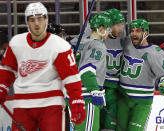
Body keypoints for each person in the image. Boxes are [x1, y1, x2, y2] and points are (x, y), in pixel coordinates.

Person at [0, 2, 86, 131]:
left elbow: (71, 77)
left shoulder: (60, 46)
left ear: (46, 20)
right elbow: (7, 70)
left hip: (51, 105)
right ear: (27, 22)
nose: (36, 23)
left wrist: (77, 101)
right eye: (32, 20)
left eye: (40, 18)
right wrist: (2, 88)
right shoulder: (17, 43)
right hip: (23, 104)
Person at [117, 18, 164, 131]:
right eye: (132, 31)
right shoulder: (126, 44)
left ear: (146, 33)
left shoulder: (155, 53)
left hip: (142, 103)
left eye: (138, 31)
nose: (134, 34)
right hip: (122, 99)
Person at [71, 13, 112, 131]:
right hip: (86, 96)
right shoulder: (98, 46)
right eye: (108, 29)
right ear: (101, 29)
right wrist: (95, 91)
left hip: (73, 96)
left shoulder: (78, 42)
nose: (109, 33)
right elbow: (86, 71)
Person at [100, 8, 126, 131]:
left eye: (122, 24)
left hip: (115, 88)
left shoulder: (124, 37)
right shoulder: (95, 36)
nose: (120, 28)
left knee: (110, 126)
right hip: (98, 86)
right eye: (117, 25)